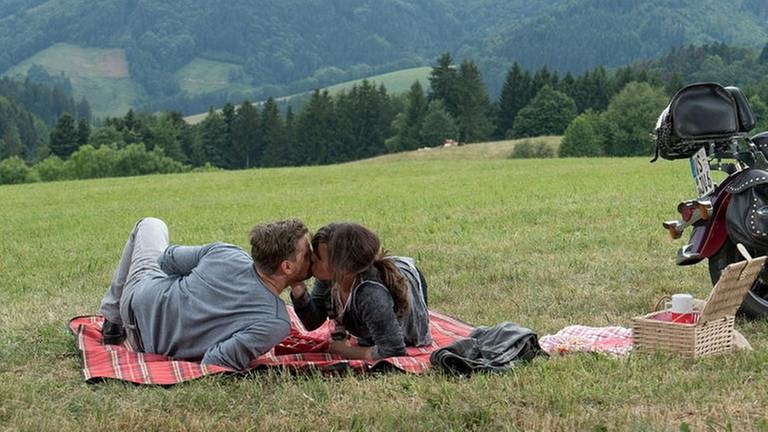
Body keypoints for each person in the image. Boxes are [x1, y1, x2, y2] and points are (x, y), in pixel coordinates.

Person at [99, 217, 311, 371]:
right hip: (148, 345)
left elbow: (166, 260)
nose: (312, 258)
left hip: (138, 300)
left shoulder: (225, 253)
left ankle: (113, 319)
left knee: (151, 224)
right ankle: (114, 318)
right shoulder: (275, 321)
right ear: (287, 267)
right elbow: (216, 362)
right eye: (307, 254)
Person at [290, 222, 432, 360]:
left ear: (342, 267)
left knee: (375, 336)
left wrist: (344, 350)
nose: (312, 259)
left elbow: (392, 350)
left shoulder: (370, 294)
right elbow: (312, 322)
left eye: (318, 258)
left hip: (408, 280)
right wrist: (298, 286)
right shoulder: (330, 278)